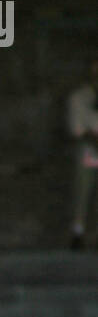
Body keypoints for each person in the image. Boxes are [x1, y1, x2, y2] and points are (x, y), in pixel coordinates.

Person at [67, 60, 98, 250]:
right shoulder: (80, 97)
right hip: (89, 148)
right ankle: (78, 231)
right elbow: (77, 128)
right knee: (83, 190)